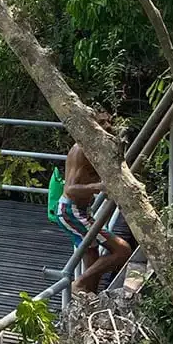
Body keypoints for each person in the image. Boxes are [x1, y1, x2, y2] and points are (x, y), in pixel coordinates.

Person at [55, 112, 132, 293]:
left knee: (93, 257)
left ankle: (89, 298)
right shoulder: (81, 151)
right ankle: (79, 283)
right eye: (102, 123)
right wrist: (98, 186)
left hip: (81, 209)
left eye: (109, 122)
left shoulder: (95, 147)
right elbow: (70, 189)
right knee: (123, 250)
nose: (107, 126)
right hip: (71, 211)